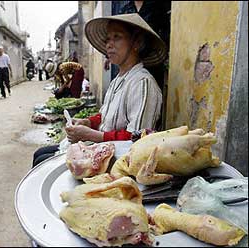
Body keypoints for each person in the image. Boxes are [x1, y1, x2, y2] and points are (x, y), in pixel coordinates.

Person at [32, 13, 166, 167]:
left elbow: (137, 140)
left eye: (117, 37)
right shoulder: (117, 80)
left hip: (118, 161)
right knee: (39, 154)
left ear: (137, 42)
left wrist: (93, 135)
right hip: (101, 149)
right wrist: (88, 122)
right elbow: (105, 115)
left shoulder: (143, 84)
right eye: (107, 39)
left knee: (42, 161)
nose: (109, 44)